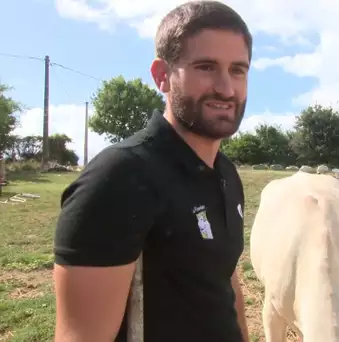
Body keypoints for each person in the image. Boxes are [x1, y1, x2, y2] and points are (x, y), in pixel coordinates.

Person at [52, 1, 252, 341]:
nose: (227, 88)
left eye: (238, 70)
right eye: (206, 67)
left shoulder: (226, 174)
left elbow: (223, 282)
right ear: (162, 76)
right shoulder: (120, 179)